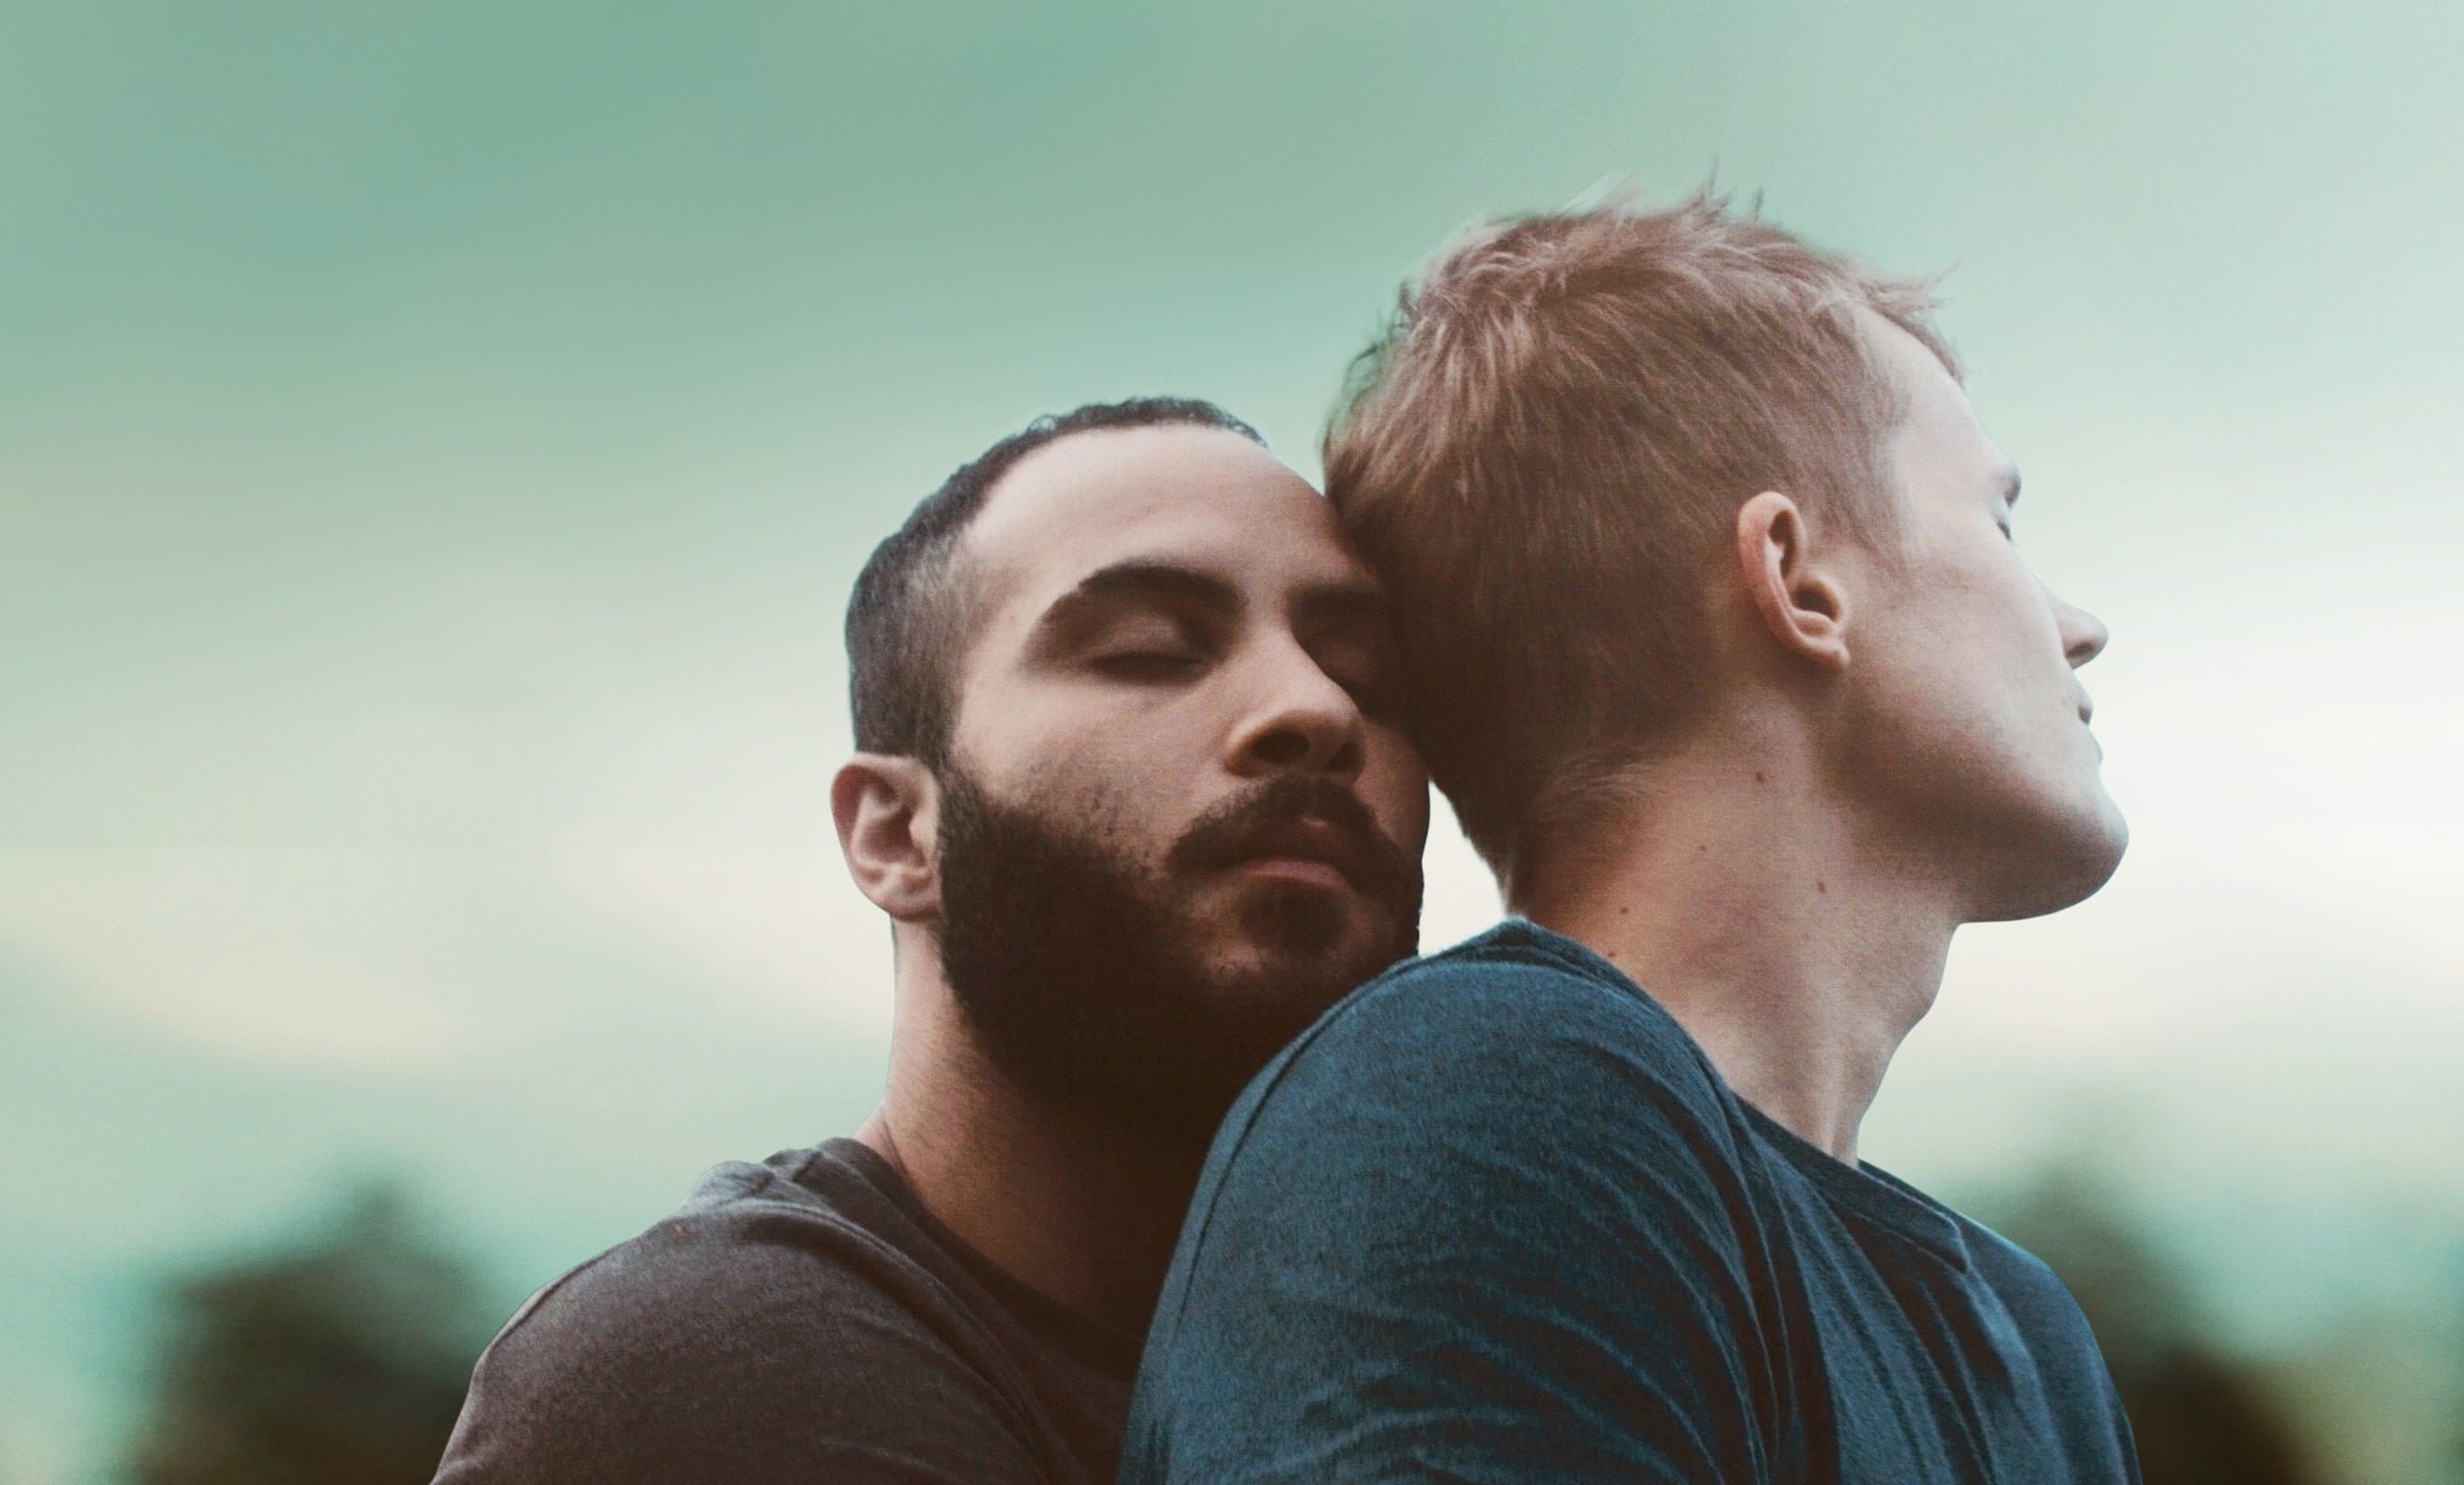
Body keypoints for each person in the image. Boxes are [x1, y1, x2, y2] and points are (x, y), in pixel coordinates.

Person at [1124, 196, 2139, 1484]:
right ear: (1798, 578)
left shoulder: (2027, 1333)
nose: (2079, 624)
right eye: (1998, 521)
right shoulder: (1479, 1102)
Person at [436, 398, 1432, 1485]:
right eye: (1149, 651)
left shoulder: (1448, 1341)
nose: (1315, 707)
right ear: (899, 832)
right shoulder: (726, 1363)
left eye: (1362, 672)